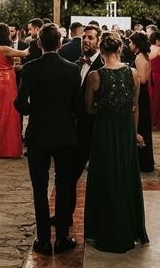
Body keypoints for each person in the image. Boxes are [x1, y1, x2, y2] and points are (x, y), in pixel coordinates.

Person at [15, 23, 81, 256]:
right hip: (64, 134)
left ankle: (43, 240)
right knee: (63, 186)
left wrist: (37, 109)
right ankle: (62, 238)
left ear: (39, 43)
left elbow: (20, 103)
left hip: (38, 134)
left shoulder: (30, 68)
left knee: (39, 187)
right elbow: (77, 106)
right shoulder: (72, 70)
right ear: (60, 44)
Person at [84, 32, 149, 253]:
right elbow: (135, 107)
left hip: (104, 132)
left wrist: (106, 110)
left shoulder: (95, 76)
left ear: (101, 52)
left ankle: (106, 229)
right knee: (125, 177)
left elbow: (89, 109)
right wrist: (134, 133)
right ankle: (129, 229)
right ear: (120, 50)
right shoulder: (132, 74)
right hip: (125, 132)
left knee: (105, 179)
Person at [68, 24, 103, 223]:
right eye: (84, 38)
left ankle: (98, 219)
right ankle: (67, 215)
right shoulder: (77, 63)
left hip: (96, 127)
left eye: (90, 38)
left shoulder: (104, 65)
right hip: (78, 128)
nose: (86, 41)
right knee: (71, 174)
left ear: (98, 41)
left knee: (98, 178)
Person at [0, 23, 29, 158]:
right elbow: (24, 53)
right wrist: (35, 43)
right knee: (11, 114)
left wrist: (9, 66)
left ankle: (4, 148)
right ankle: (10, 150)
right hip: (7, 81)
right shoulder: (4, 48)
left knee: (3, 114)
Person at [129, 32, 154, 172]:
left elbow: (143, 79)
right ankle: (145, 160)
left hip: (140, 94)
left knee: (140, 126)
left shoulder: (139, 58)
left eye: (131, 42)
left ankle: (142, 161)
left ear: (136, 44)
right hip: (143, 94)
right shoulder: (144, 56)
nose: (129, 45)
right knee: (143, 126)